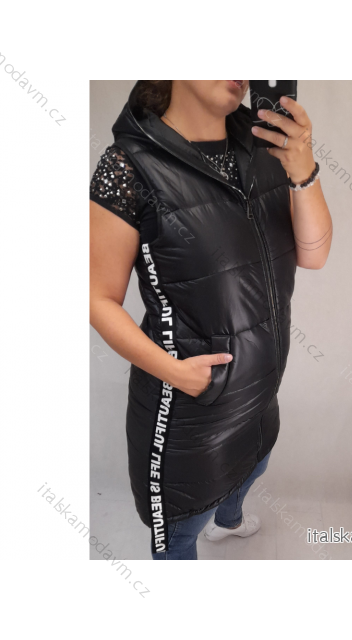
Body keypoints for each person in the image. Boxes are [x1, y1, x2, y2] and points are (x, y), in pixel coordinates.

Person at [90, 80, 332, 560]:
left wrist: (303, 170)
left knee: (255, 465)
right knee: (180, 533)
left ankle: (229, 522)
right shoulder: (129, 165)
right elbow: (97, 298)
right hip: (189, 411)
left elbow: (314, 255)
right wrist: (179, 374)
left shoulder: (266, 145)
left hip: (260, 387)